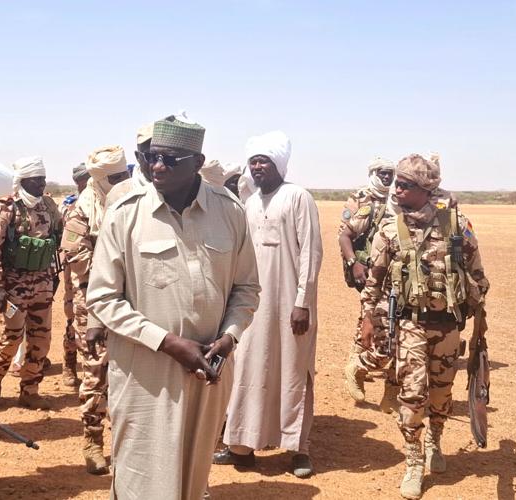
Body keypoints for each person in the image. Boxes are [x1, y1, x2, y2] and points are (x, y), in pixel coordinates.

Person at [86, 115, 260, 499]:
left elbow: (246, 288)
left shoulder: (229, 211)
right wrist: (167, 342)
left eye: (170, 159)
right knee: (141, 478)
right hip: (145, 374)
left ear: (198, 162)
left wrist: (230, 336)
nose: (157, 167)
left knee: (193, 480)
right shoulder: (126, 212)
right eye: (152, 157)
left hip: (208, 374)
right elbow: (102, 298)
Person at [360, 154, 489, 499]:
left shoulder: (456, 225)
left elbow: (478, 274)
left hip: (448, 327)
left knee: (441, 394)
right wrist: (368, 320)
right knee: (413, 394)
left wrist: (476, 310)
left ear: (425, 189)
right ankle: (414, 459)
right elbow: (374, 283)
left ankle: (435, 439)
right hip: (410, 325)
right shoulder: (391, 229)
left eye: (405, 185)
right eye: (396, 183)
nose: (396, 190)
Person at [215, 131, 323, 478]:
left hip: (291, 304)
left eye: (264, 161)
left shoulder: (298, 197)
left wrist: (303, 302)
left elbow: (311, 253)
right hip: (254, 305)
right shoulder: (249, 204)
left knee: (293, 369)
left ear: (279, 164)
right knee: (249, 369)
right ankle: (242, 446)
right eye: (254, 161)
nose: (258, 167)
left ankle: (298, 449)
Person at [60, 145, 130, 474]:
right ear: (101, 180)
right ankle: (92, 440)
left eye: (125, 174)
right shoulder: (82, 211)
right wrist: (115, 277)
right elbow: (76, 257)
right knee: (96, 371)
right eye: (116, 178)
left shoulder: (134, 203)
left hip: (131, 304)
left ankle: (126, 441)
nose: (123, 182)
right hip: (95, 305)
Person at [0, 156, 61, 410]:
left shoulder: (48, 206)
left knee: (41, 339)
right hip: (13, 288)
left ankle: (30, 389)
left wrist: (53, 274)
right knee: (12, 337)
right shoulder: (7, 207)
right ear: (23, 180)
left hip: (42, 285)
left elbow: (57, 238)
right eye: (36, 180)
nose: (42, 184)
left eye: (43, 179)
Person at [338, 157, 398, 409]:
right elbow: (344, 234)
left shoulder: (398, 197)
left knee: (381, 319)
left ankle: (365, 367)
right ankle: (357, 364)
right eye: (382, 173)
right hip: (369, 270)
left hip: (394, 271)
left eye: (390, 173)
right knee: (370, 315)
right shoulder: (361, 198)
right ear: (373, 173)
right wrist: (354, 264)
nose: (387, 177)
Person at [58, 162, 91, 387]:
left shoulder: (100, 203)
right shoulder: (71, 207)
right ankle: (69, 362)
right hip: (75, 273)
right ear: (79, 182)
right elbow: (68, 245)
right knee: (73, 317)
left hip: (97, 273)